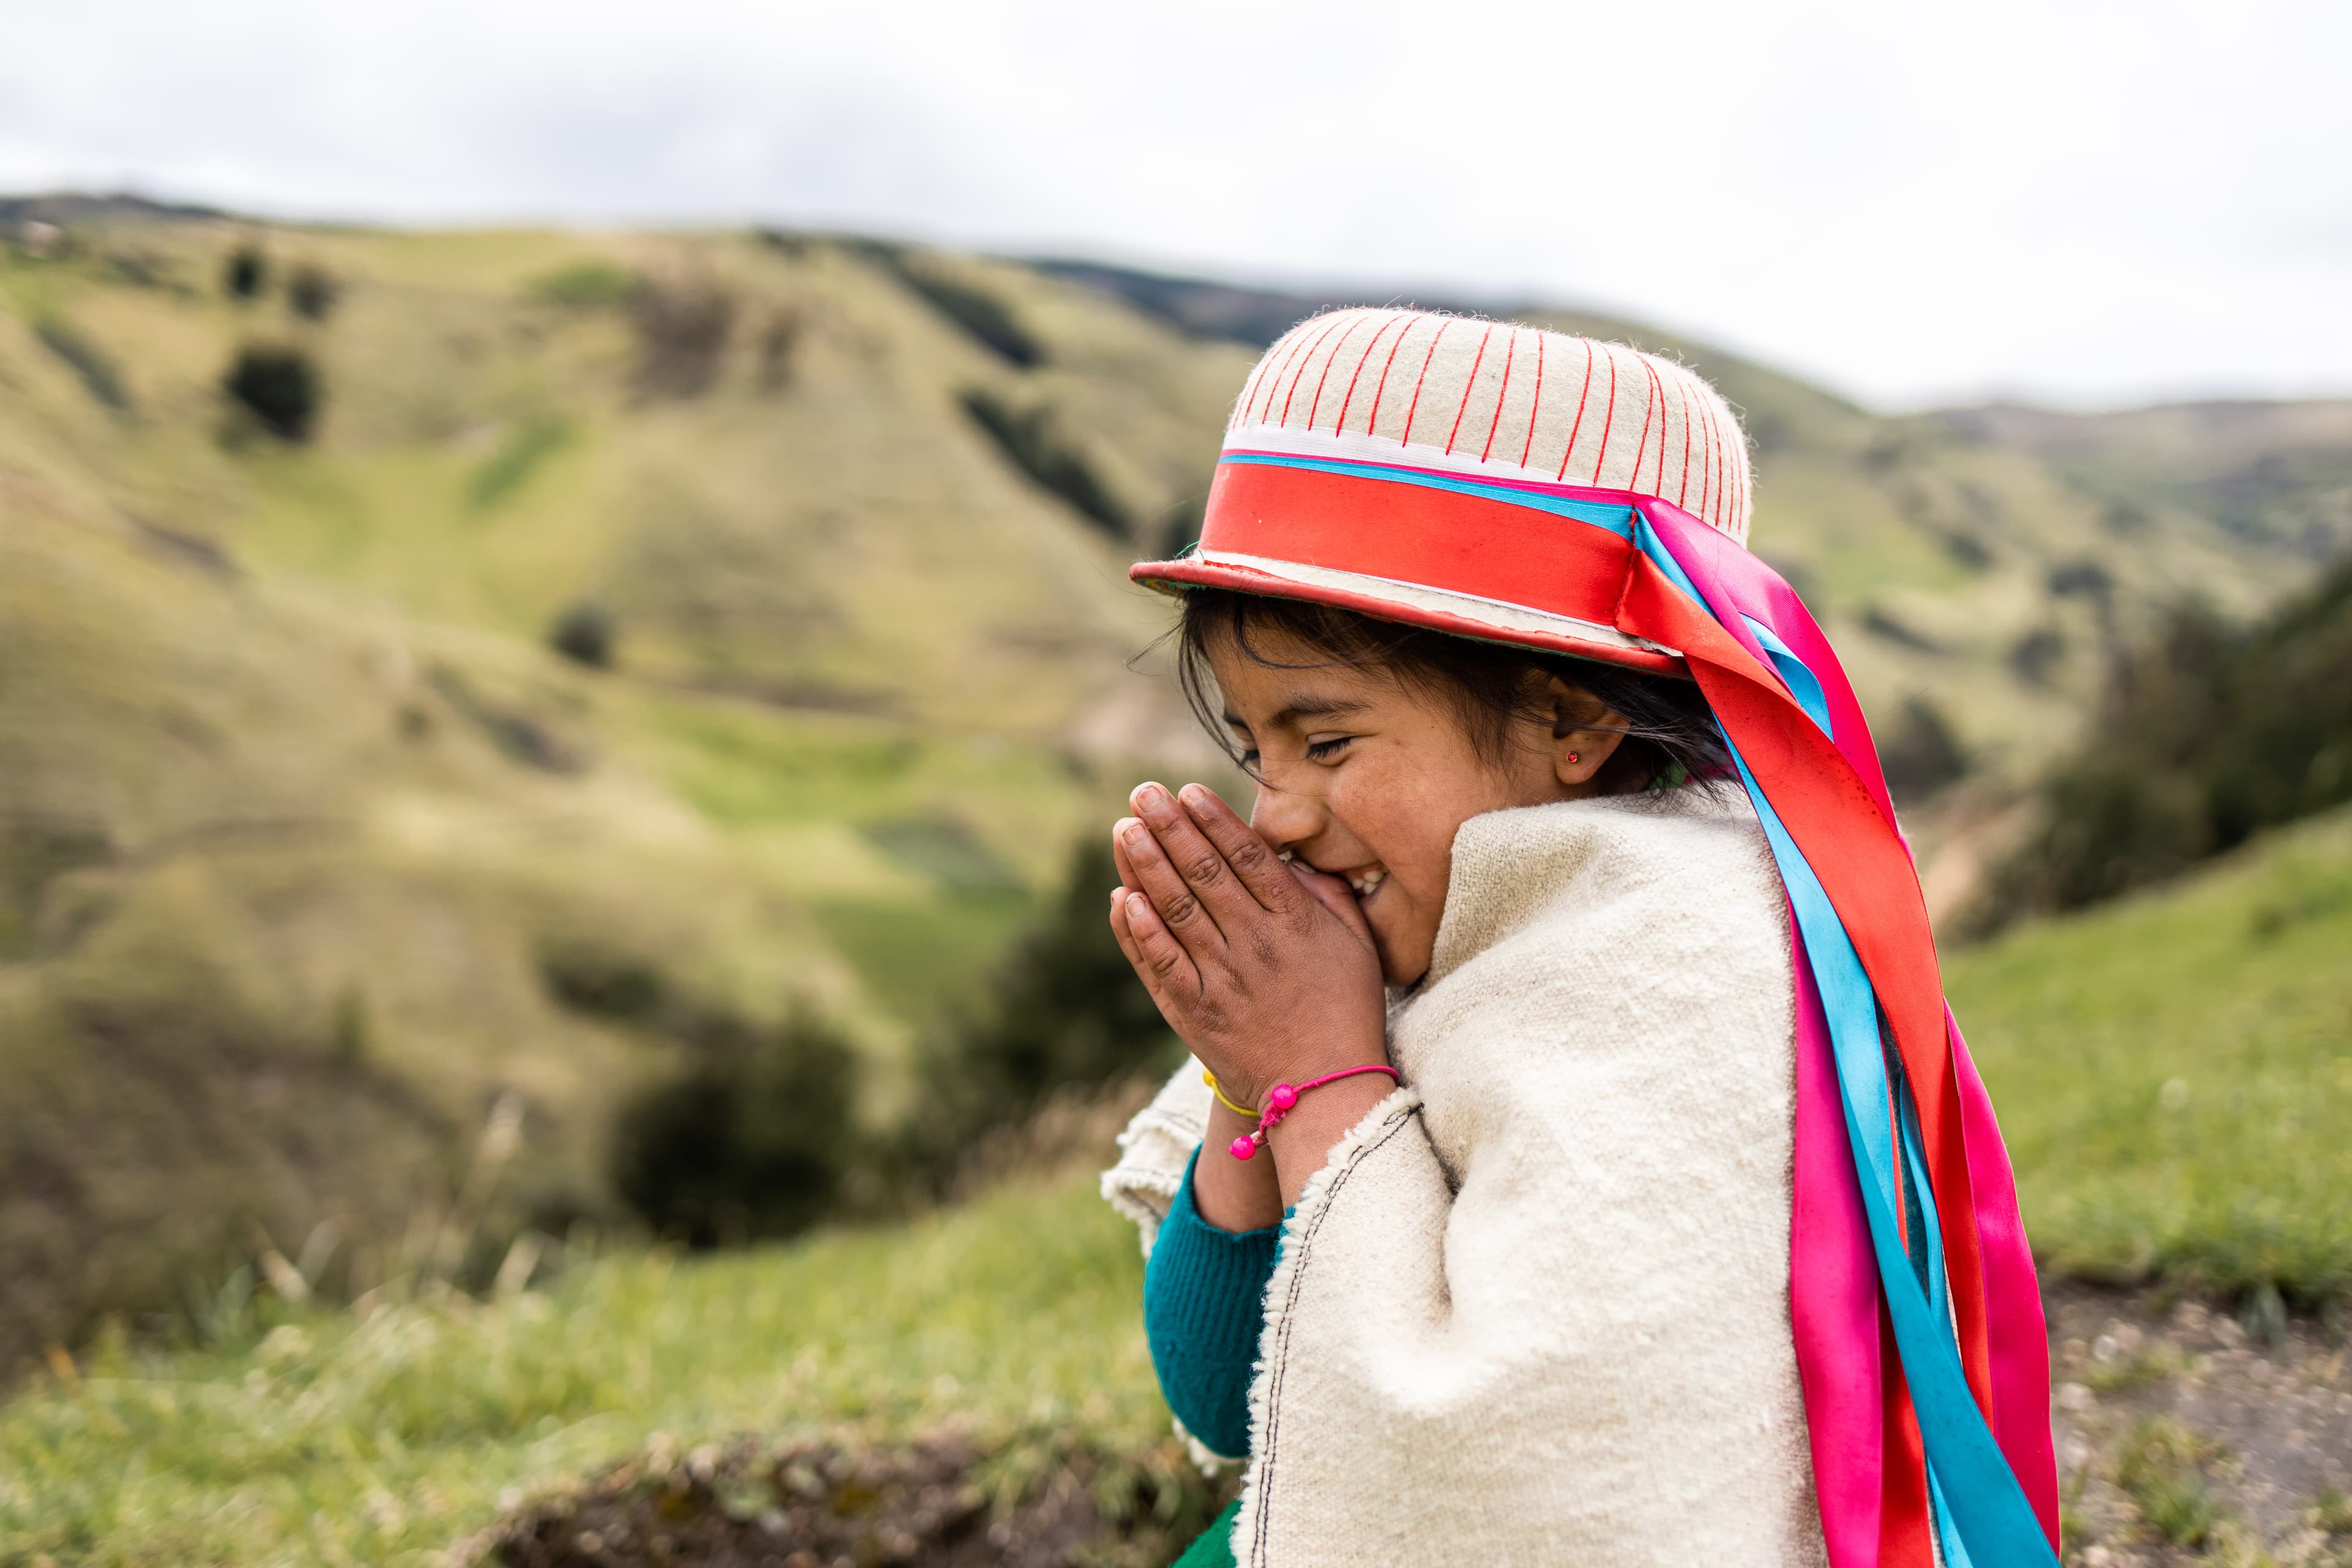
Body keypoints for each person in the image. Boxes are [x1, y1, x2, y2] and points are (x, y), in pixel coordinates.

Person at [1098, 308, 2061, 1567]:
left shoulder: (1677, 972)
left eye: (1325, 741)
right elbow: (1231, 1392)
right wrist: (1253, 1068)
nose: (1272, 813)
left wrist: (1328, 1075)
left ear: (1573, 715)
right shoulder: (1407, 926)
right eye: (1253, 742)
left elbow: (1503, 1476)